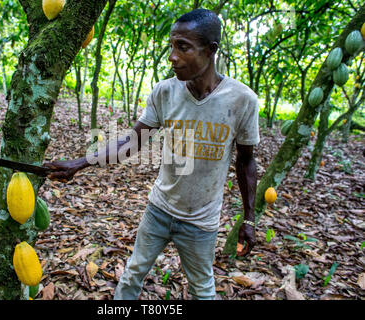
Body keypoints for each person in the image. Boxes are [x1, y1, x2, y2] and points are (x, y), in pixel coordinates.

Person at [44, 8, 259, 300]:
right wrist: (80, 164)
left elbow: (246, 161)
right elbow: (132, 142)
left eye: (183, 47)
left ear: (211, 51)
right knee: (133, 274)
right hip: (159, 209)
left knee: (203, 290)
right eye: (171, 46)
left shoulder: (242, 100)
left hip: (201, 221)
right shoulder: (165, 92)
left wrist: (248, 219)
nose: (173, 56)